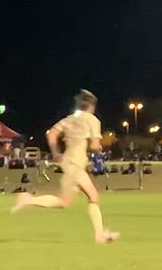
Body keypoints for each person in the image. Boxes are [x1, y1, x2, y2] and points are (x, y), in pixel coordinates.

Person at [11, 89, 120, 243]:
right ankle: (27, 199)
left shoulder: (70, 118)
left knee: (69, 201)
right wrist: (99, 150)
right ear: (91, 106)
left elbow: (51, 133)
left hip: (69, 161)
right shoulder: (92, 120)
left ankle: (100, 234)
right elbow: (95, 145)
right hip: (76, 163)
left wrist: (56, 153)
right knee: (86, 197)